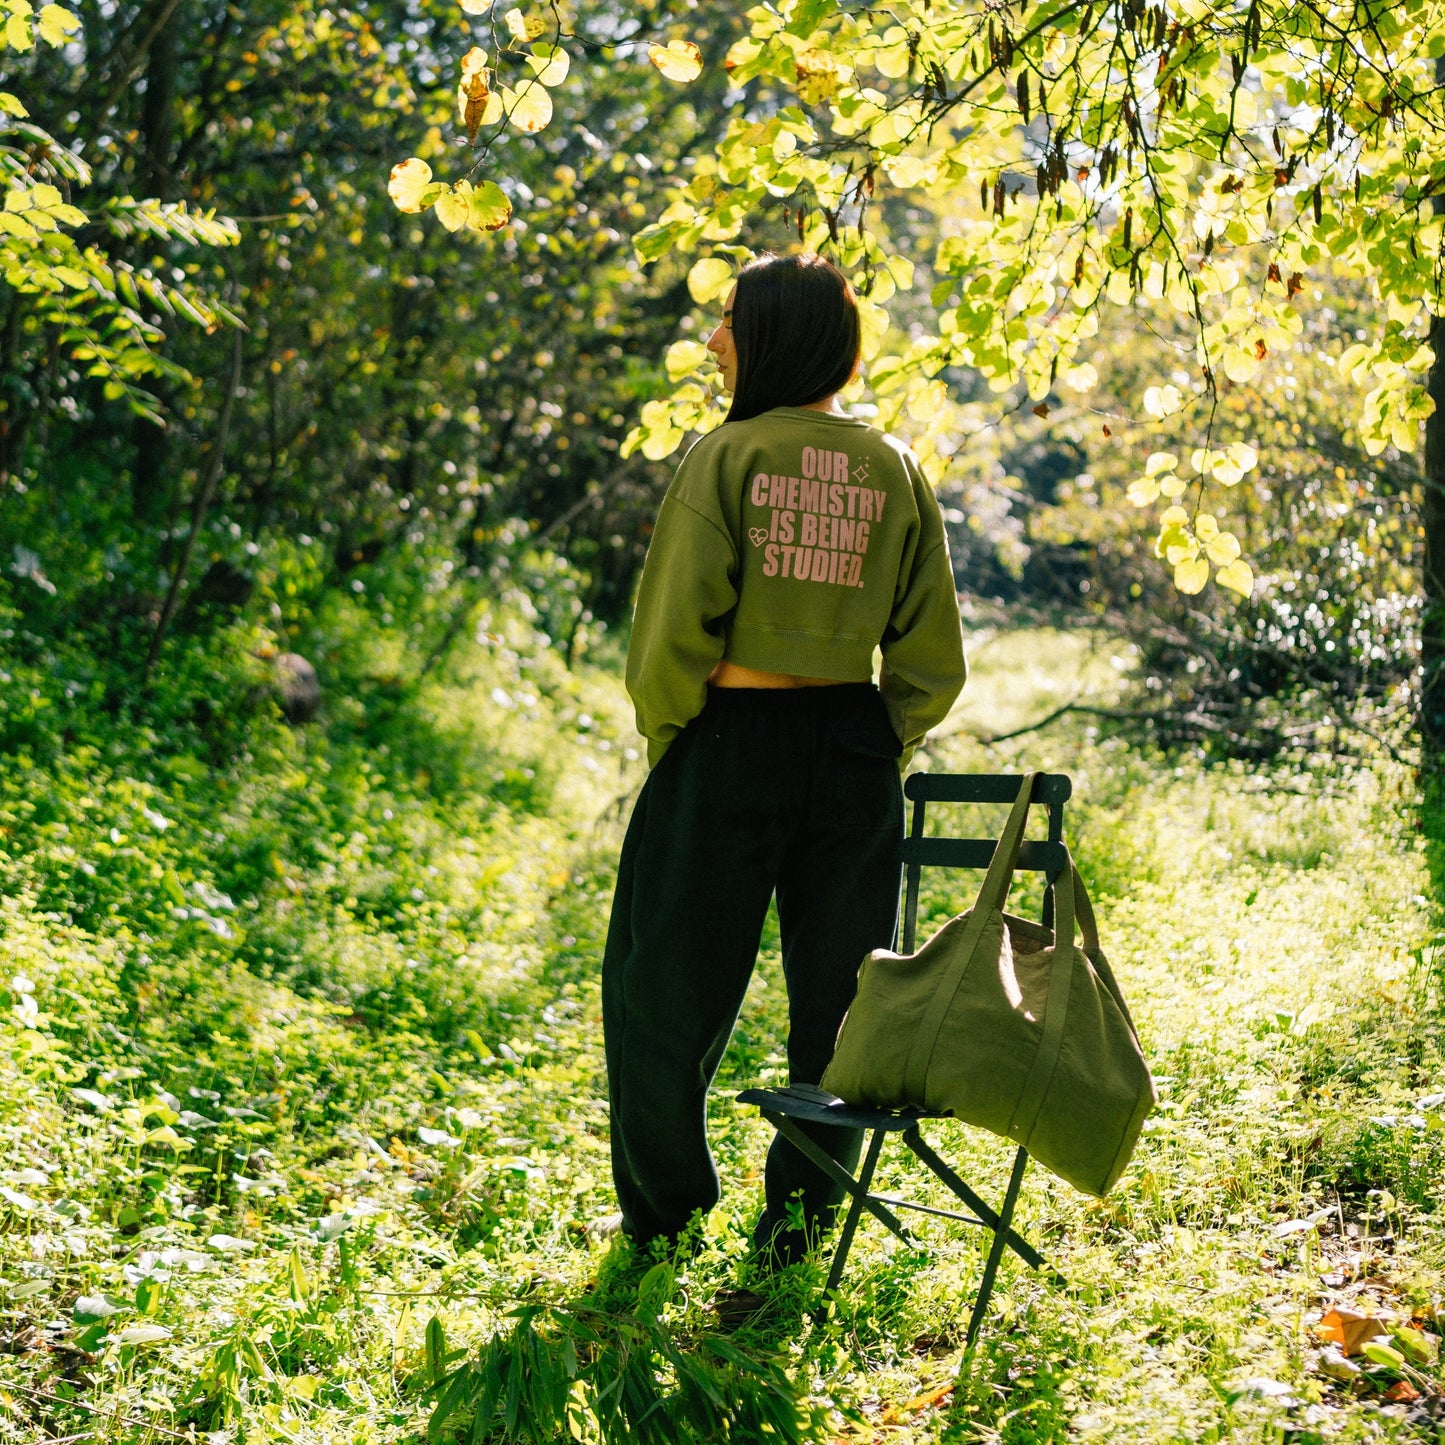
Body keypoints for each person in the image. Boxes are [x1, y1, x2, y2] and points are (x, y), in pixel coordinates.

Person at [601, 252, 967, 1271]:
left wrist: (681, 742)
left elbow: (669, 631)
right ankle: (796, 1227)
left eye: (726, 320)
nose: (712, 339)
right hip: (850, 748)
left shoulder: (728, 458)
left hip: (725, 741)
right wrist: (871, 740)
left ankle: (665, 1220)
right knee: (842, 1008)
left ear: (767, 337)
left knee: (657, 991)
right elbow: (931, 661)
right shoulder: (894, 467)